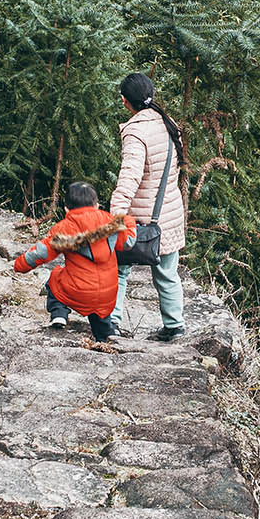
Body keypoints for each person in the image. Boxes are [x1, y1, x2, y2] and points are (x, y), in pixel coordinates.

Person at [109, 72, 186, 342]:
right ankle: (175, 326)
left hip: (140, 218)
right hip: (170, 214)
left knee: (117, 270)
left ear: (124, 101)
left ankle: (111, 322)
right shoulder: (169, 124)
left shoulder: (135, 132)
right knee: (167, 273)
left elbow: (129, 178)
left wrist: (116, 214)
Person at [13, 181, 135, 349]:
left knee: (55, 277)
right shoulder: (111, 223)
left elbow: (41, 253)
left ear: (67, 209)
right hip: (107, 295)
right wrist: (128, 221)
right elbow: (128, 242)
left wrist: (19, 265)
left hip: (77, 291)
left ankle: (59, 314)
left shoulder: (63, 228)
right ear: (97, 205)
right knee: (100, 310)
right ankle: (107, 337)